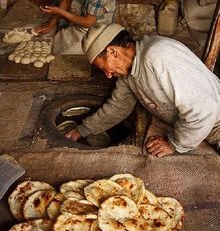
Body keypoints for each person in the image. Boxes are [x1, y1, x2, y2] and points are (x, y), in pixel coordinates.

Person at [65, 23, 220, 157]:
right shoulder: (128, 72)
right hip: (197, 127)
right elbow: (118, 107)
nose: (108, 75)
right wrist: (83, 130)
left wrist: (174, 144)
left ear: (113, 51)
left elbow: (205, 110)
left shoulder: (157, 55)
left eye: (103, 67)